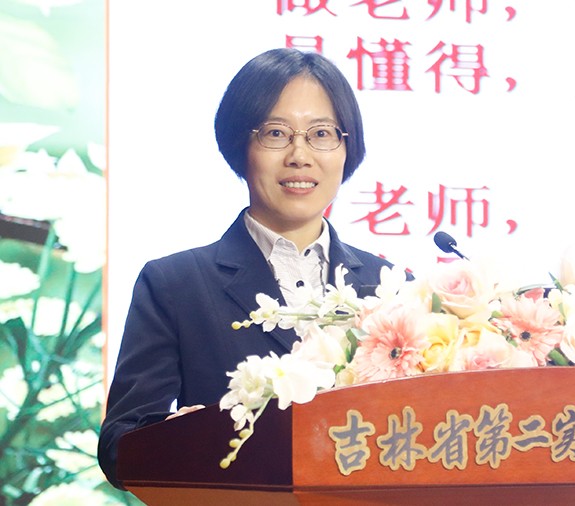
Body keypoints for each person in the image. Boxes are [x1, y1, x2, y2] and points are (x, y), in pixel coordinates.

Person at [98, 48, 408, 489]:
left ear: (347, 148)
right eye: (276, 133)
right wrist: (187, 438)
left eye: (321, 134)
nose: (300, 155)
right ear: (239, 145)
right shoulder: (175, 285)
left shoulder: (391, 289)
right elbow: (119, 446)